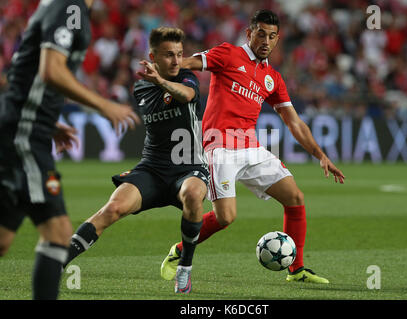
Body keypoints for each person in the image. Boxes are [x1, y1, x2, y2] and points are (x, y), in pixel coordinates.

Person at [160, 9, 345, 284]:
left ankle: (296, 269)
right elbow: (186, 63)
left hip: (251, 148)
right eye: (260, 34)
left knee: (295, 198)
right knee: (225, 218)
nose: (265, 41)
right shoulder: (228, 54)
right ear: (249, 34)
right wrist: (169, 82)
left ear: (277, 40)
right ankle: (178, 250)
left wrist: (320, 155)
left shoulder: (272, 77)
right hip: (219, 147)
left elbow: (293, 121)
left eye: (271, 36)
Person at [0, 0, 140, 300]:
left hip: (27, 127)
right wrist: (103, 104)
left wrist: (47, 122)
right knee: (58, 233)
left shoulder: (65, 8)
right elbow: (51, 70)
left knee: (3, 240)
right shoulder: (70, 6)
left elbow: (23, 71)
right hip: (24, 133)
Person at [63, 27, 209, 294]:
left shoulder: (188, 79)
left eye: (179, 54)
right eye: (168, 55)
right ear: (153, 56)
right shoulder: (141, 87)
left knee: (192, 194)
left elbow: (185, 96)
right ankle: (58, 263)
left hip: (190, 167)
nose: (176, 61)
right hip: (152, 168)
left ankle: (185, 268)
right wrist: (156, 82)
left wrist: (162, 81)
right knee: (111, 209)